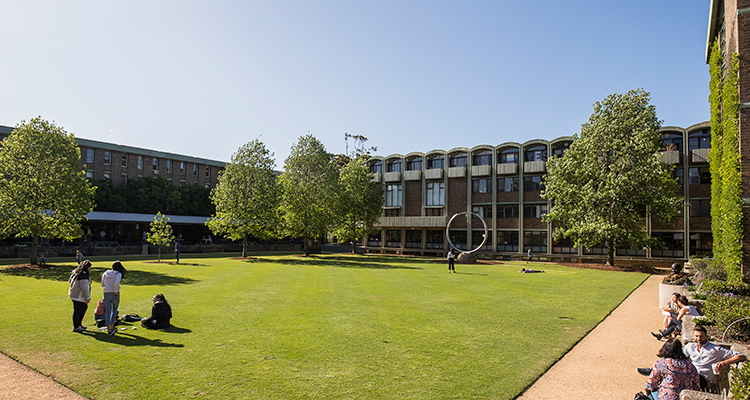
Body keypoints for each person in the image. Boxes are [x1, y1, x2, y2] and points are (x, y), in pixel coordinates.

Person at [684, 325, 747, 392]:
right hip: (691, 374)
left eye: (701, 336)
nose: (699, 338)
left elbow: (741, 356)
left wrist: (725, 362)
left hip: (703, 378)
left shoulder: (715, 350)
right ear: (693, 336)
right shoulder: (690, 347)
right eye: (696, 336)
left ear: (706, 337)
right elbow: (679, 356)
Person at [101, 261, 127, 336]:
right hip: (114, 294)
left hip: (106, 293)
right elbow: (116, 283)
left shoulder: (105, 273)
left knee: (108, 312)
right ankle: (112, 327)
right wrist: (115, 291)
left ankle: (108, 328)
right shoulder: (118, 274)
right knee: (114, 311)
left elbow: (102, 284)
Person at [68, 260, 92, 333]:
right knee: (79, 310)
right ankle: (76, 326)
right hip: (78, 295)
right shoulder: (83, 275)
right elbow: (84, 288)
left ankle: (79, 324)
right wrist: (87, 298)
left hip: (73, 294)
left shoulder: (76, 272)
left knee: (81, 309)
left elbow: (69, 280)